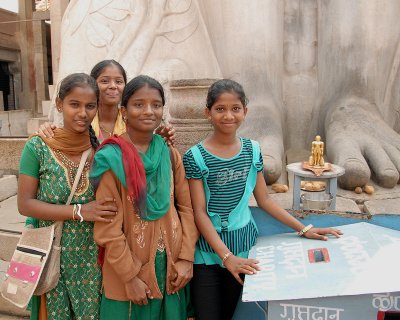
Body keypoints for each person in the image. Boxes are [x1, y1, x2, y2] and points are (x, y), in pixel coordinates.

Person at [182, 79, 343, 320]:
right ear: (208, 112)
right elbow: (200, 212)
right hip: (208, 255)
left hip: (244, 250)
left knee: (228, 314)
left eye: (235, 108)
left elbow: (264, 200)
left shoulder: (252, 150)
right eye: (220, 109)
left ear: (245, 112)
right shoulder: (195, 156)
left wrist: (304, 228)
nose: (228, 116)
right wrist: (227, 258)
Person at [90, 75, 198, 319]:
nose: (149, 111)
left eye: (156, 105)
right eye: (139, 104)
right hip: (129, 269)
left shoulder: (169, 154)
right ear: (124, 111)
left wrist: (186, 259)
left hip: (171, 268)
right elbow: (108, 227)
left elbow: (186, 209)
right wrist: (129, 277)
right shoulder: (110, 159)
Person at [17, 73, 118, 320]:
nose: (83, 113)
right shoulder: (38, 147)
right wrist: (80, 211)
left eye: (90, 106)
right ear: (60, 104)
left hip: (92, 261)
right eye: (75, 104)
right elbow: (25, 204)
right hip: (51, 256)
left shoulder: (102, 151)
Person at [39, 60, 176, 144]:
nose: (113, 86)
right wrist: (46, 129)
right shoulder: (83, 120)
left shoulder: (133, 121)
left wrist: (158, 139)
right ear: (92, 85)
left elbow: (143, 148)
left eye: (119, 81)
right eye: (105, 81)